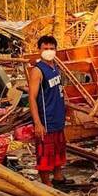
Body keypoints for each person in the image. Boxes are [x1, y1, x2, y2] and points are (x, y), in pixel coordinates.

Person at [29, 35, 69, 187]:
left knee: (59, 151)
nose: (49, 51)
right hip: (46, 121)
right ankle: (47, 184)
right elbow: (32, 98)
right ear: (39, 50)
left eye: (52, 48)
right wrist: (37, 123)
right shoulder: (38, 71)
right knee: (45, 155)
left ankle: (58, 178)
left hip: (58, 119)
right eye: (45, 48)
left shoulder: (55, 68)